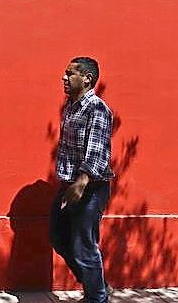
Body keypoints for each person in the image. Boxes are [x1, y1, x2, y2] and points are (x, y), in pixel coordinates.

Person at [50, 57, 114, 303]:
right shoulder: (71, 106)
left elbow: (98, 150)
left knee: (84, 246)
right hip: (70, 184)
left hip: (89, 187)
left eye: (70, 74)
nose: (64, 78)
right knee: (58, 235)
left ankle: (97, 298)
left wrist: (82, 181)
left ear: (87, 78)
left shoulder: (96, 108)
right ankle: (96, 286)